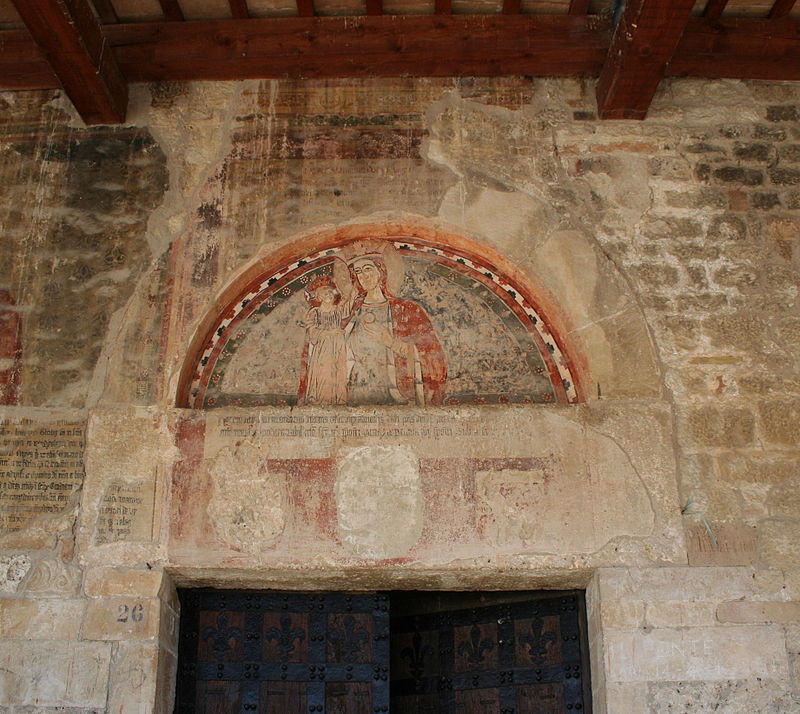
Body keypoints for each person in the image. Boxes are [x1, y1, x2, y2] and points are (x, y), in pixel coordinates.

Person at [345, 254, 446, 406]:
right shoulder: (349, 313)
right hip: (359, 388)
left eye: (368, 269)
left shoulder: (407, 310)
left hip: (397, 394)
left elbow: (433, 356)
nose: (363, 276)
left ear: (381, 272)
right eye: (358, 271)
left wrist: (391, 342)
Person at [297, 275, 353, 405]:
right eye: (325, 293)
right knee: (323, 373)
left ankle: (339, 400)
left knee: (339, 372)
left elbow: (349, 306)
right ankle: (321, 400)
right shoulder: (315, 312)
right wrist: (330, 332)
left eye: (330, 293)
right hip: (323, 348)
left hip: (338, 346)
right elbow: (312, 331)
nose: (328, 295)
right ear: (319, 296)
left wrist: (354, 289)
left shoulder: (338, 311)